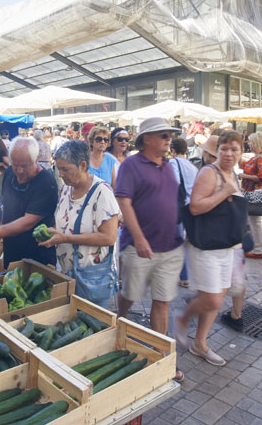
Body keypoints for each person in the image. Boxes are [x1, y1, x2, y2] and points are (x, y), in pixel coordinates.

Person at [115, 118, 184, 380]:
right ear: (146, 139)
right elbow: (124, 201)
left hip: (168, 246)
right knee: (130, 293)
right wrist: (139, 237)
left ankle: (160, 353)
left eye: (170, 135)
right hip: (138, 245)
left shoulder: (169, 165)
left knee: (162, 300)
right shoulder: (131, 165)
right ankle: (120, 318)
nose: (169, 139)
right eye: (163, 134)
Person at [176, 131, 246, 367]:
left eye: (233, 149)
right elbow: (195, 207)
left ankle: (200, 344)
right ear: (217, 151)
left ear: (240, 152)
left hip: (227, 246)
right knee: (213, 300)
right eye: (224, 148)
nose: (228, 153)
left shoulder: (233, 174)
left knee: (219, 294)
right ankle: (183, 318)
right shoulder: (209, 173)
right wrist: (223, 193)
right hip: (205, 247)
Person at [37, 140, 120, 305]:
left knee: (92, 324)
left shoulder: (102, 193)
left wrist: (66, 238)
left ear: (82, 165)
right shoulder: (67, 189)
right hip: (69, 274)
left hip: (92, 278)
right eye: (58, 168)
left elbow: (109, 237)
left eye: (65, 169)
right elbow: (65, 222)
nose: (60, 174)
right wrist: (52, 234)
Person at [0, 137, 58, 266]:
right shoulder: (9, 173)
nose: (19, 171)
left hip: (38, 256)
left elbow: (29, 221)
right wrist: (0, 235)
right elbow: (7, 207)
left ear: (36, 159)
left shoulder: (46, 182)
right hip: (12, 251)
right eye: (15, 165)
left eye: (24, 166)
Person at [169, 137, 197, 288]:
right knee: (188, 243)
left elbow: (173, 183)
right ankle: (187, 275)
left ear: (173, 150)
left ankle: (184, 276)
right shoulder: (192, 166)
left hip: (179, 208)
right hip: (192, 206)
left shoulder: (173, 163)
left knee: (179, 242)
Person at [239, 132, 262, 259]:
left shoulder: (261, 158)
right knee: (252, 221)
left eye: (251, 142)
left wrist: (244, 176)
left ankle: (258, 248)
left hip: (254, 193)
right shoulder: (256, 157)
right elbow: (242, 164)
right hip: (250, 193)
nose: (250, 144)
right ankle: (254, 246)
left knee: (255, 221)